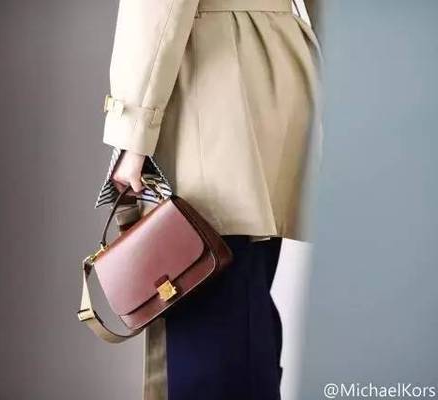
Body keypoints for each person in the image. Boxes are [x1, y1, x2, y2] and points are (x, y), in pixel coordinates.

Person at [93, 0, 323, 399]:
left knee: (209, 297)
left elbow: (157, 9)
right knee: (243, 296)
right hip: (278, 66)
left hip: (212, 82)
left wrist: (132, 135)